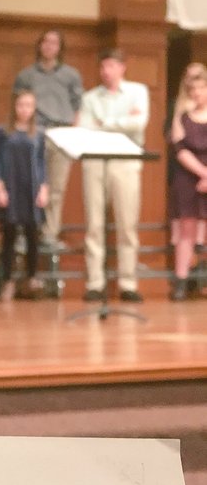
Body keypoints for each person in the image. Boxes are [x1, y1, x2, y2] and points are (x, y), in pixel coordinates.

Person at [79, 48, 149, 302]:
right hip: (95, 159)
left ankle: (128, 283)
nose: (106, 71)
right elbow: (85, 128)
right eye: (103, 67)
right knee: (94, 224)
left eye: (111, 66)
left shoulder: (138, 91)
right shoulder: (90, 98)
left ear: (122, 67)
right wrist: (120, 122)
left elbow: (139, 123)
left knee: (127, 224)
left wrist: (105, 123)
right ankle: (95, 282)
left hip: (126, 160)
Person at [14, 29, 83, 249]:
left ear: (60, 48)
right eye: (46, 42)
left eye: (54, 43)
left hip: (62, 133)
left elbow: (78, 106)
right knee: (29, 184)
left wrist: (74, 132)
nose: (49, 46)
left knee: (56, 187)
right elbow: (18, 105)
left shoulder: (71, 75)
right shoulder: (26, 75)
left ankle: (49, 233)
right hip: (35, 131)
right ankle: (25, 232)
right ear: (39, 45)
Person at [0, 90, 48, 301]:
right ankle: (7, 281)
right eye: (21, 105)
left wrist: (44, 188)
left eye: (29, 105)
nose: (24, 109)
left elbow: (43, 163)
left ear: (34, 108)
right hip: (10, 188)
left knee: (33, 236)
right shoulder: (3, 131)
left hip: (31, 189)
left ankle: (31, 278)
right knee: (9, 237)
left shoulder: (39, 133)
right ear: (14, 106)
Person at [168, 62, 207, 301]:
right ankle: (180, 281)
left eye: (201, 88)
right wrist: (204, 173)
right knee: (187, 230)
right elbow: (179, 149)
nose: (197, 93)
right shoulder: (182, 117)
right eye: (192, 89)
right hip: (188, 178)